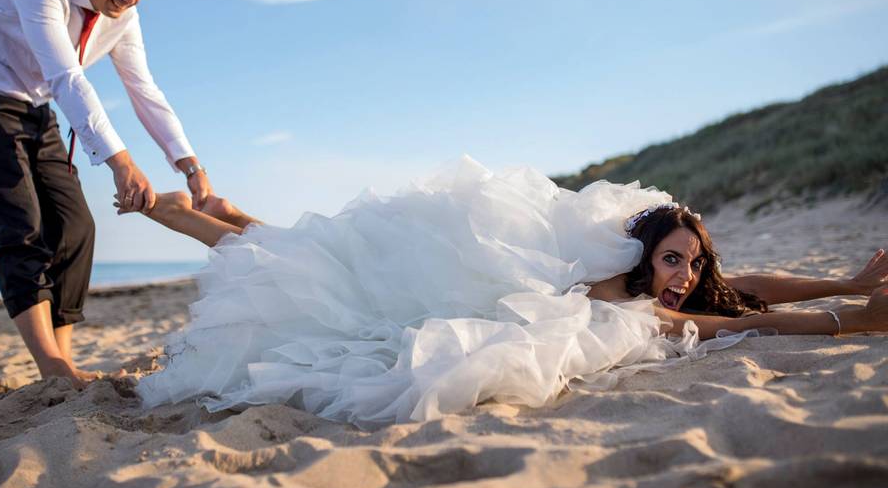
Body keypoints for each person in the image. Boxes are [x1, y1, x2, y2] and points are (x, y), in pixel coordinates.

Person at [124, 157, 887, 428]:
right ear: (644, 257)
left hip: (482, 273)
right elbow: (733, 326)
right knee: (315, 278)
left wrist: (848, 282)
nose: (686, 277)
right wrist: (847, 321)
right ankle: (194, 219)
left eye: (690, 264)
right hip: (473, 283)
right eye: (675, 262)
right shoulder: (625, 291)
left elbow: (744, 288)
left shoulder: (667, 277)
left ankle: (222, 215)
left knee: (316, 260)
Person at [0, 0, 213, 389]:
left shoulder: (124, 16)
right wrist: (122, 163)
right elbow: (67, 79)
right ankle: (52, 370)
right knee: (22, 229)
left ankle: (64, 361)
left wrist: (189, 164)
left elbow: (144, 90)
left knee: (76, 227)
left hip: (31, 105)